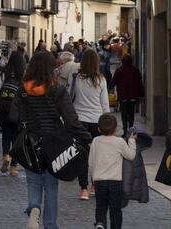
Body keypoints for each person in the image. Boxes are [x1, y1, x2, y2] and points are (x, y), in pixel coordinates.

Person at [10, 51, 91, 229]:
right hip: (53, 144)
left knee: (32, 181)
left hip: (30, 144)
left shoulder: (23, 90)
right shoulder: (58, 90)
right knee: (51, 185)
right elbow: (71, 120)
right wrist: (87, 138)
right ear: (51, 68)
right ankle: (50, 224)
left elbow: (14, 117)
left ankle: (34, 209)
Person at [71, 49, 110, 200]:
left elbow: (71, 98)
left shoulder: (77, 79)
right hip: (97, 121)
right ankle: (94, 185)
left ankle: (83, 189)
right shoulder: (101, 80)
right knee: (96, 156)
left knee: (82, 156)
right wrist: (108, 123)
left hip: (80, 121)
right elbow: (105, 104)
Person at [89, 113, 136, 229]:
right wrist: (132, 141)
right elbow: (130, 156)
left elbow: (91, 162)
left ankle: (100, 223)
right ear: (116, 129)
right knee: (115, 209)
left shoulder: (95, 141)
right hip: (115, 181)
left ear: (99, 129)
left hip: (99, 181)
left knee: (100, 206)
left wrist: (93, 178)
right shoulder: (119, 142)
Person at [0, 51, 25, 176]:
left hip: (3, 109)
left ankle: (5, 156)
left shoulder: (3, 72)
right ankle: (13, 167)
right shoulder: (23, 74)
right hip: (17, 111)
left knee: (6, 135)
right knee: (16, 138)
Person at [109, 54, 144, 137]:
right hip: (133, 96)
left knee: (124, 114)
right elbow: (140, 83)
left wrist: (110, 87)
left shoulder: (119, 70)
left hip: (123, 96)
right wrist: (141, 94)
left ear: (122, 61)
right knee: (131, 114)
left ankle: (125, 131)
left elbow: (114, 81)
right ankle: (131, 130)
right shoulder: (135, 70)